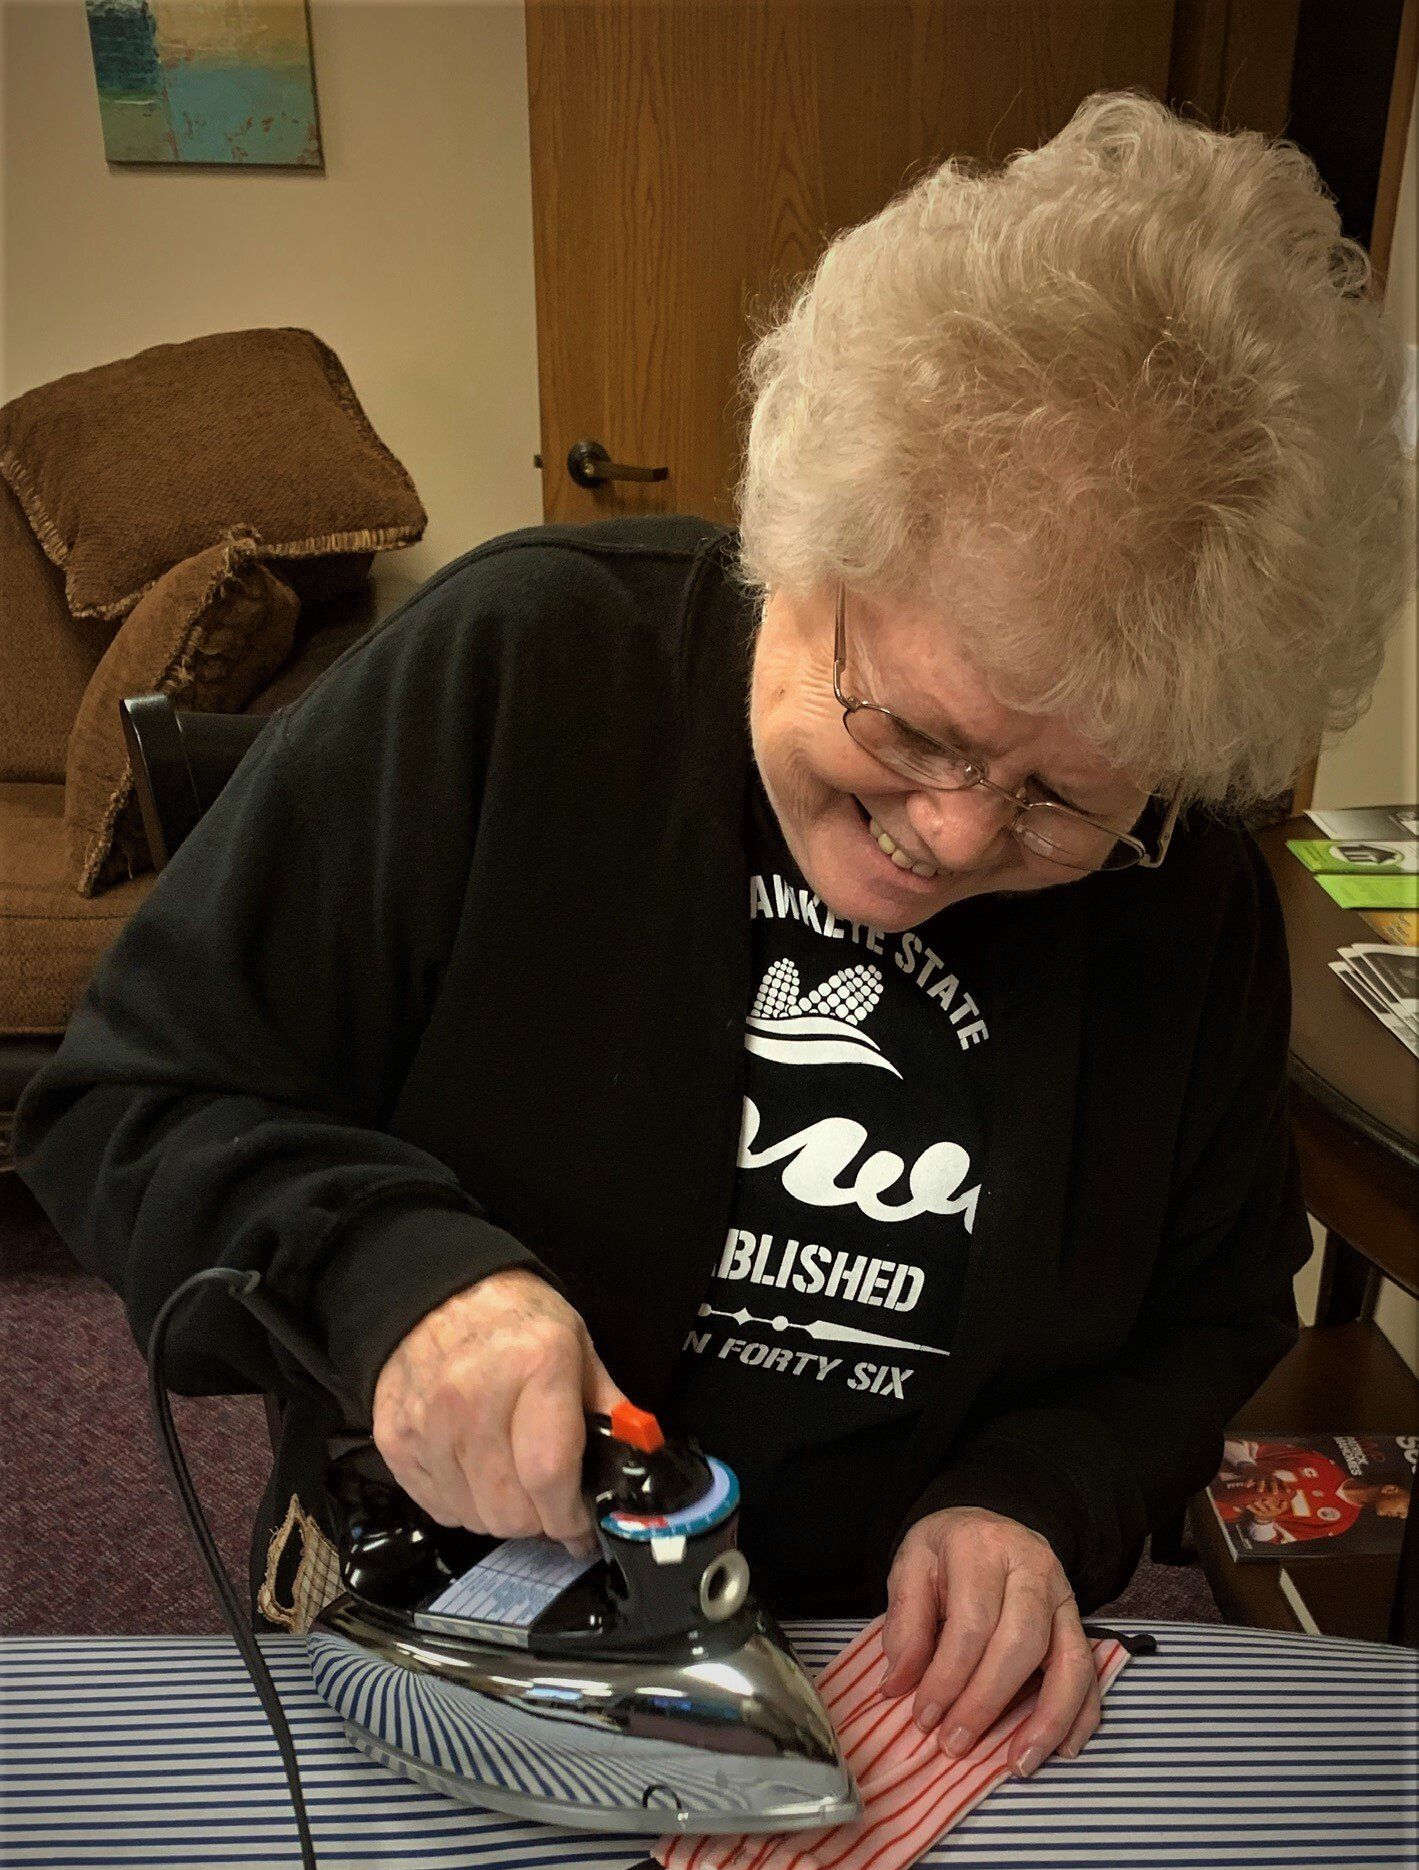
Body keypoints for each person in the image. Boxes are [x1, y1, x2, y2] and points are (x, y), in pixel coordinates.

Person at [14, 90, 1413, 1781]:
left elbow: (1218, 1305)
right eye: (913, 728)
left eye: (1061, 799)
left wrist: (1039, 1495)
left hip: (882, 1679)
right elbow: (124, 1102)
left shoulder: (1177, 886)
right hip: (443, 1601)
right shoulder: (520, 674)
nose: (954, 839)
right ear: (797, 541)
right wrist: (394, 1283)